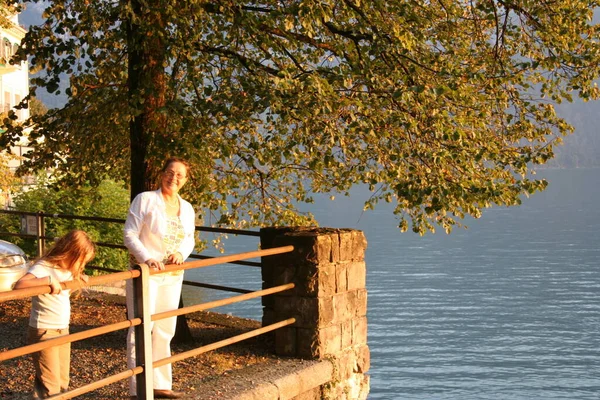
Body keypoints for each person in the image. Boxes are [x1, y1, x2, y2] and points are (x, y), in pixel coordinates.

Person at [124, 157, 195, 400]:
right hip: (147, 275)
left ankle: (161, 385)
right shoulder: (145, 199)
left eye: (179, 175)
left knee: (165, 329)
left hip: (173, 275)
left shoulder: (187, 207)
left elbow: (189, 239)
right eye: (170, 172)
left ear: (185, 181)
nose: (173, 178)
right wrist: (146, 257)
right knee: (141, 329)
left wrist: (181, 253)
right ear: (162, 173)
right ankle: (138, 389)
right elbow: (129, 234)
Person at [13, 230, 96, 399]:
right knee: (51, 387)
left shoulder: (67, 269)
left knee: (61, 382)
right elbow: (20, 285)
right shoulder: (44, 266)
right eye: (81, 261)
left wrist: (78, 279)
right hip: (44, 330)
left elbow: (63, 292)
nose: (82, 265)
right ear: (70, 253)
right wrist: (47, 281)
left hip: (62, 329)